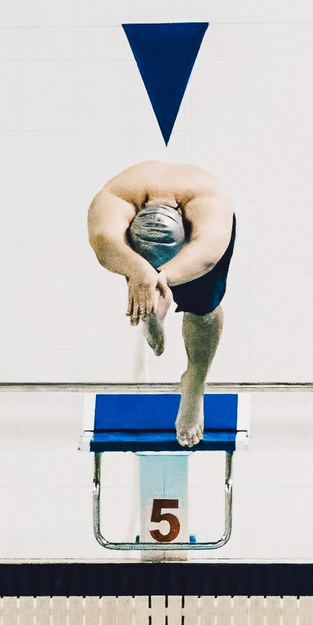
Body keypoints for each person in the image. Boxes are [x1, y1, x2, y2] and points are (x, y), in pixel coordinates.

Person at [86, 162, 235, 448]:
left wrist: (160, 278)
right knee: (142, 275)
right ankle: (151, 301)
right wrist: (138, 270)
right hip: (135, 239)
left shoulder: (210, 208)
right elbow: (104, 242)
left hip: (198, 236)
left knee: (203, 307)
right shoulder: (115, 199)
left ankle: (195, 380)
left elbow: (205, 257)